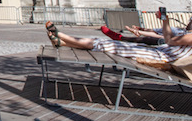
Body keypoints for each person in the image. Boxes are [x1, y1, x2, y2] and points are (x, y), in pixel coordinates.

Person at [46, 18, 192, 80]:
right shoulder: (184, 31)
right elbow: (158, 34)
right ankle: (63, 42)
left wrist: (165, 21)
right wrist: (140, 31)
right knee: (109, 44)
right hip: (157, 52)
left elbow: (171, 40)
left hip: (160, 57)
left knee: (110, 45)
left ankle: (62, 36)